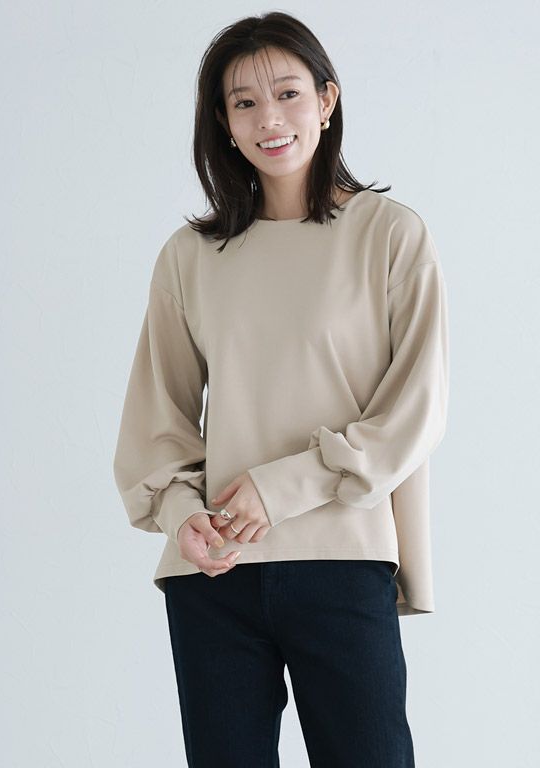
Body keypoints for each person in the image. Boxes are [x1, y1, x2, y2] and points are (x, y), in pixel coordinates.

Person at [113, 11, 449, 768]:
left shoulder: (390, 235)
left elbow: (415, 410)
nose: (269, 118)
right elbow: (157, 419)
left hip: (343, 560)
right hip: (215, 576)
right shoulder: (190, 257)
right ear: (223, 122)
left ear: (327, 100)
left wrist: (283, 487)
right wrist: (180, 514)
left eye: (289, 93)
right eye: (244, 102)